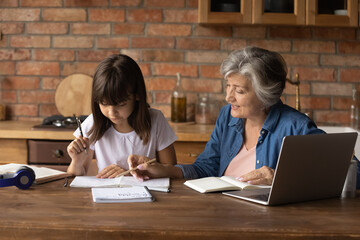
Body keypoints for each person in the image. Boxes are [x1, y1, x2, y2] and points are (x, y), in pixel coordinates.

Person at [127, 46, 326, 185]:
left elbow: (354, 171)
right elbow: (206, 167)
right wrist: (165, 170)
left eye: (238, 91)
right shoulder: (228, 116)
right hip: (223, 213)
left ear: (265, 95)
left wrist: (283, 178)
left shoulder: (295, 126)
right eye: (228, 86)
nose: (228, 97)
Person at [67, 54, 177, 178]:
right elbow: (74, 179)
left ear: (137, 95)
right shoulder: (93, 123)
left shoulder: (155, 120)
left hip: (148, 194)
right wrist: (76, 162)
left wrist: (134, 174)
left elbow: (172, 171)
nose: (112, 112)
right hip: (106, 194)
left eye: (120, 104)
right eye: (104, 104)